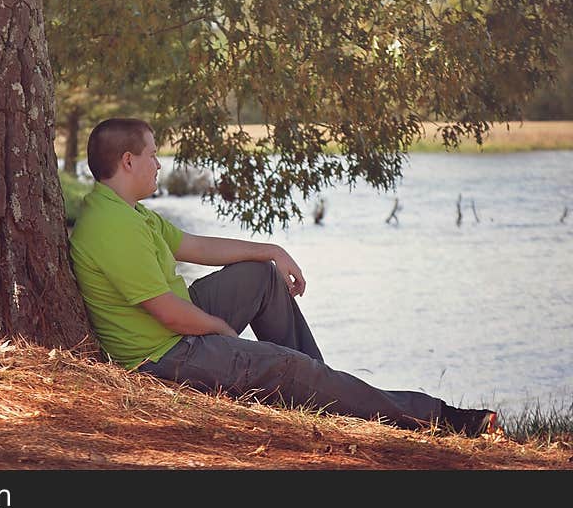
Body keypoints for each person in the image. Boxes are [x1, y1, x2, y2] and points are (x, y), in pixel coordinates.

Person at [69, 118, 499, 438]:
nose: (160, 163)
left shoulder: (129, 212)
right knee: (288, 367)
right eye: (152, 154)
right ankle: (437, 417)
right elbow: (169, 315)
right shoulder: (113, 228)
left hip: (176, 330)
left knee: (262, 276)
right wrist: (221, 332)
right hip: (164, 356)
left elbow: (196, 247)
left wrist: (271, 251)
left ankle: (325, 390)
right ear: (128, 160)